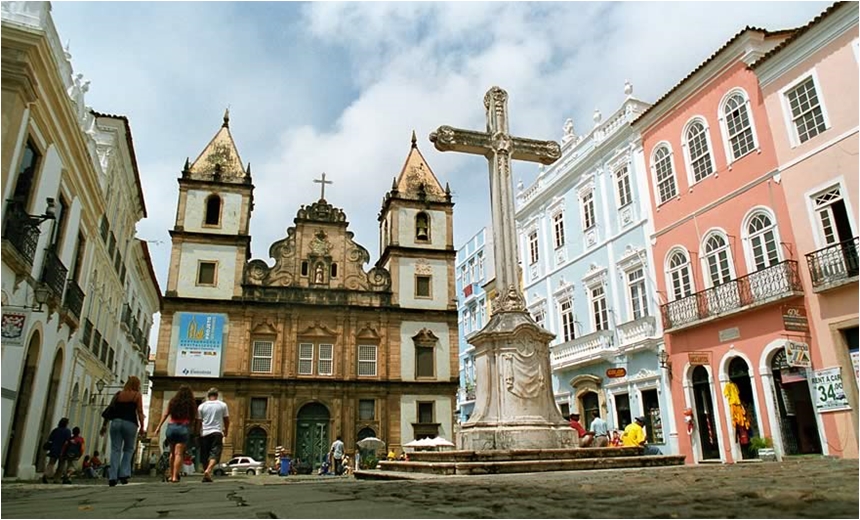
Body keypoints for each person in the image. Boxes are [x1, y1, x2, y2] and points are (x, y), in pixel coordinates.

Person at [100, 376, 146, 487]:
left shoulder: (118, 395)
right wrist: (142, 427)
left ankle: (112, 476)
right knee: (129, 449)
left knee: (115, 449)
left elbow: (110, 409)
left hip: (116, 422)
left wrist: (104, 425)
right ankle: (124, 474)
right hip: (130, 423)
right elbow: (139, 412)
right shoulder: (136, 395)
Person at [154, 385, 198, 483]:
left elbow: (165, 414)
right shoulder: (190, 404)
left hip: (172, 427)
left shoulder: (173, 402)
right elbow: (193, 419)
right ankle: (174, 476)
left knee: (171, 453)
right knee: (179, 453)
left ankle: (170, 474)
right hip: (183, 427)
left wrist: (158, 427)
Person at [197, 387, 230, 483]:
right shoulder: (222, 405)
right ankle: (208, 470)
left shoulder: (201, 406)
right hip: (217, 432)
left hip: (204, 433)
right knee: (215, 453)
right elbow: (226, 420)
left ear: (208, 396)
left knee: (204, 454)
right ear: (217, 395)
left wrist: (197, 433)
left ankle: (206, 474)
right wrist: (226, 430)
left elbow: (199, 422)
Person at [42, 418, 72, 484]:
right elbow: (68, 441)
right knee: (61, 465)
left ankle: (46, 474)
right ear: (66, 424)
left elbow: (50, 439)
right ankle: (57, 479)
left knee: (51, 463)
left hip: (54, 449)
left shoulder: (55, 430)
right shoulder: (67, 431)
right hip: (63, 450)